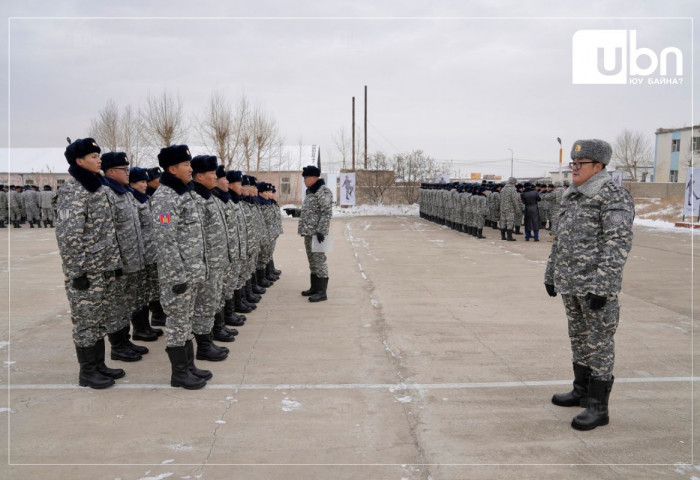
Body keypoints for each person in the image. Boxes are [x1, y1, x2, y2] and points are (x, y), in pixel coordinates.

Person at [545, 139, 634, 431]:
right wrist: (551, 273)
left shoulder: (612, 196)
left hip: (595, 285)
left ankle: (599, 407)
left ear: (598, 166)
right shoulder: (572, 195)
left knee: (599, 344)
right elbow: (561, 239)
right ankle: (581, 391)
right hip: (570, 283)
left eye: (579, 164)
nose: (574, 168)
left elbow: (617, 243)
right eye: (573, 163)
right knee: (579, 338)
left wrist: (603, 285)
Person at [56, 138, 125, 389]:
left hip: (104, 268)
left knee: (99, 318)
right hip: (87, 271)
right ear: (79, 161)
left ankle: (99, 365)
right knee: (86, 321)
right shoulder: (74, 190)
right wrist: (77, 272)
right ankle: (87, 372)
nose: (99, 160)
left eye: (99, 156)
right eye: (94, 156)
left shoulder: (99, 187)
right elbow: (68, 235)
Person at [150, 145, 210, 390]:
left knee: (186, 321)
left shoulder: (185, 194)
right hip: (178, 276)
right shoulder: (165, 197)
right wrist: (177, 276)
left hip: (191, 272)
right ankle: (179, 374)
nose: (190, 168)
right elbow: (165, 239)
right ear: (172, 169)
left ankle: (190, 366)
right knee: (176, 323)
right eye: (186, 165)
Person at [101, 151, 150, 361]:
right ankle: (118, 345)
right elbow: (107, 231)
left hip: (137, 259)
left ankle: (127, 339)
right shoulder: (107, 194)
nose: (128, 174)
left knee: (128, 302)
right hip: (119, 262)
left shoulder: (127, 195)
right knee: (116, 305)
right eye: (125, 170)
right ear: (112, 172)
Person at [189, 155, 234, 360]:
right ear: (199, 176)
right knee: (203, 306)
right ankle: (204, 348)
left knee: (211, 303)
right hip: (204, 265)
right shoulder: (194, 200)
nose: (215, 178)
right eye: (211, 174)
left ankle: (208, 342)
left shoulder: (210, 197)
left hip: (216, 263)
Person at [297, 165, 333, 302]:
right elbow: (311, 212)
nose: (304, 180)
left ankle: (322, 292)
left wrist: (321, 231)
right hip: (308, 233)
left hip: (319, 234)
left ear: (313, 177)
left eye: (305, 178)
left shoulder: (323, 192)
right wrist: (296, 213)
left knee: (320, 261)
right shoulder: (311, 192)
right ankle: (314, 287)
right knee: (312, 261)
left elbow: (326, 213)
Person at [499, 177, 520, 241]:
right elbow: (515, 200)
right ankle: (509, 237)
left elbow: (500, 198)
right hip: (510, 208)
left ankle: (503, 236)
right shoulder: (513, 189)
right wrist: (517, 209)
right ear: (513, 182)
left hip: (502, 208)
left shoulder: (503, 189)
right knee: (510, 222)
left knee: (503, 222)